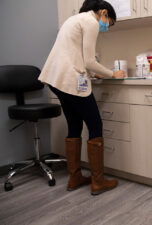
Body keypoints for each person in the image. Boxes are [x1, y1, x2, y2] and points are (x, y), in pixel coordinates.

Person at [38, 0, 126, 195]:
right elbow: (88, 60)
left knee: (74, 124)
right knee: (95, 124)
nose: (106, 27)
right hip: (69, 79)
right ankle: (98, 181)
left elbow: (75, 56)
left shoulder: (73, 20)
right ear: (103, 12)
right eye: (109, 22)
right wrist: (112, 73)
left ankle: (75, 177)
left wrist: (92, 72)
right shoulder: (91, 21)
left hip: (57, 79)